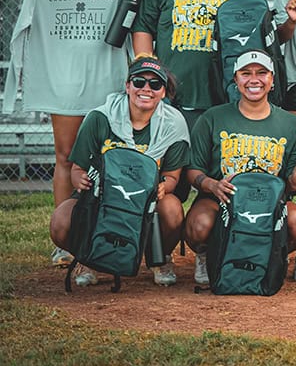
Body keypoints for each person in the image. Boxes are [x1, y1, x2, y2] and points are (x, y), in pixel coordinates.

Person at [16, 0, 143, 268]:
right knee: (66, 155)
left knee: (113, 157)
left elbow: (137, 10)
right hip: (66, 72)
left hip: (108, 68)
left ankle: (109, 229)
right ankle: (65, 234)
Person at [183, 50, 296, 284]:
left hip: (269, 203)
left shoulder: (290, 123)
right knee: (200, 225)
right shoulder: (212, 118)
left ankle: (271, 254)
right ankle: (208, 255)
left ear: (272, 80)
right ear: (235, 79)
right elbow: (193, 170)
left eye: (262, 73)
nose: (254, 79)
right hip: (222, 201)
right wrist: (212, 184)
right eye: (245, 73)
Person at [49, 56, 190, 287]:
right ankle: (89, 257)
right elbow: (77, 168)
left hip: (144, 201)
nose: (146, 89)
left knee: (172, 209)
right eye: (139, 82)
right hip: (102, 198)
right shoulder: (101, 117)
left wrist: (164, 186)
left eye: (155, 85)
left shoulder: (173, 124)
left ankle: (160, 257)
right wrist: (80, 180)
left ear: (163, 92)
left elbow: (173, 176)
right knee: (61, 221)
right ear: (127, 86)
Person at [132, 0, 258, 131]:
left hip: (224, 98)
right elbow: (143, 26)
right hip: (171, 97)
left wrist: (248, 3)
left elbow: (260, 42)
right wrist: (149, 75)